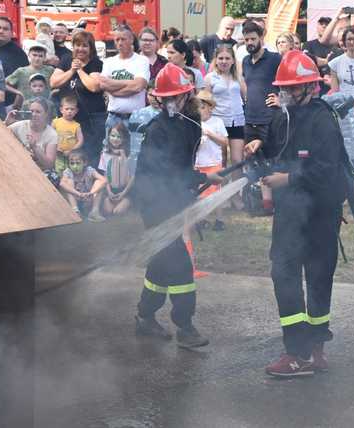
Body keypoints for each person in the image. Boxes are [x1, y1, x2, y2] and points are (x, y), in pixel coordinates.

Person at [242, 50, 347, 377]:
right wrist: (257, 150)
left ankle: (305, 353)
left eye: (291, 88)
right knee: (285, 274)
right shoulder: (282, 116)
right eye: (282, 88)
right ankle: (306, 350)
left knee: (315, 277)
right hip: (291, 212)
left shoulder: (322, 119)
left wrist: (289, 178)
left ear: (309, 88)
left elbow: (329, 170)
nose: (284, 93)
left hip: (320, 213)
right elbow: (276, 152)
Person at [132, 63, 223, 348]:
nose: (171, 103)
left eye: (176, 97)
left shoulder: (191, 125)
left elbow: (184, 164)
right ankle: (185, 327)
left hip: (174, 199)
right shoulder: (157, 129)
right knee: (181, 266)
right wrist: (201, 178)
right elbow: (166, 172)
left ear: (187, 96)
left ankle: (145, 317)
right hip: (154, 202)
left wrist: (191, 186)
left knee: (160, 263)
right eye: (166, 98)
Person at [242, 21, 282, 214]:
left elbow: (286, 82)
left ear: (261, 38)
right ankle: (264, 205)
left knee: (273, 160)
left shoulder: (275, 59)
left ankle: (280, 201)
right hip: (250, 118)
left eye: (253, 39)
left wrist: (281, 98)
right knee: (256, 162)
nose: (249, 42)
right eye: (246, 39)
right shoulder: (245, 62)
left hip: (270, 118)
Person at [51, 30, 106, 167]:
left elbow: (94, 86)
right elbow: (53, 83)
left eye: (85, 46)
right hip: (68, 119)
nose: (80, 49)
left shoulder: (96, 63)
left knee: (89, 154)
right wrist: (71, 70)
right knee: (66, 153)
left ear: (91, 48)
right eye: (77, 45)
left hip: (91, 120)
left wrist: (80, 70)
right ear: (73, 46)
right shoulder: (65, 60)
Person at [98, 26, 150, 151]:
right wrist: (129, 84)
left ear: (132, 39)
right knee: (111, 156)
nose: (120, 43)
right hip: (113, 117)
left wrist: (114, 88)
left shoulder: (142, 60)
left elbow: (139, 86)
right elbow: (103, 85)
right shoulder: (109, 61)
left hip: (135, 117)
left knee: (135, 155)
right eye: (117, 39)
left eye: (123, 39)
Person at [204, 45, 245, 173]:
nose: (224, 61)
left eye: (227, 58)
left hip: (237, 121)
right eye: (220, 58)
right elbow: (205, 101)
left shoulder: (238, 77)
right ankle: (220, 191)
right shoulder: (210, 78)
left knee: (237, 161)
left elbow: (245, 97)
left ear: (233, 60)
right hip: (218, 121)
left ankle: (237, 192)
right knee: (221, 161)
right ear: (216, 60)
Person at [195, 90, 228, 230]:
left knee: (216, 193)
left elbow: (224, 142)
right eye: (197, 107)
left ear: (210, 107)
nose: (199, 110)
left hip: (214, 162)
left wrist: (209, 133)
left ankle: (219, 220)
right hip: (198, 163)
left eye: (202, 107)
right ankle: (201, 219)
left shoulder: (217, 122)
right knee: (199, 193)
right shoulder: (194, 123)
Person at [6, 97, 58, 171]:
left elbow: (49, 165)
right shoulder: (20, 125)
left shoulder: (52, 134)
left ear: (46, 114)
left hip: (39, 172)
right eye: (31, 111)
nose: (34, 114)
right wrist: (6, 123)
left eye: (38, 112)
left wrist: (35, 147)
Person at [0, 17, 29, 108]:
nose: (1, 31)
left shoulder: (18, 54)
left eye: (5, 29)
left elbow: (24, 82)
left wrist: (16, 104)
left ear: (11, 33)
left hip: (8, 104)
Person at [59, 149, 107, 222]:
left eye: (78, 163)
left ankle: (94, 212)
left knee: (99, 182)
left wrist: (91, 193)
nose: (75, 166)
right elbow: (62, 183)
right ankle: (75, 212)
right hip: (75, 199)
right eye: (72, 163)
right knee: (68, 182)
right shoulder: (68, 172)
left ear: (84, 163)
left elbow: (104, 180)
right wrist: (78, 193)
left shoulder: (89, 170)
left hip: (88, 199)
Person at [5, 44, 54, 108]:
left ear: (44, 57)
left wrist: (52, 93)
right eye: (34, 55)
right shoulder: (21, 71)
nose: (37, 58)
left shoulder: (50, 70)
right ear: (29, 55)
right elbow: (3, 83)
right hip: (25, 108)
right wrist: (18, 93)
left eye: (40, 56)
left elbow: (58, 82)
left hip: (44, 109)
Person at [100, 123, 132, 217]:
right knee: (108, 211)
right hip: (111, 190)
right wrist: (109, 192)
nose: (115, 139)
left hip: (126, 190)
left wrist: (122, 154)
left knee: (117, 212)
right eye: (112, 135)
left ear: (124, 139)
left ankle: (129, 203)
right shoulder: (104, 153)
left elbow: (131, 176)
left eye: (119, 137)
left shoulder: (130, 154)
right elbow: (105, 175)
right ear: (108, 136)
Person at [52, 95, 84, 175]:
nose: (69, 111)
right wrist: (55, 146)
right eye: (67, 109)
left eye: (72, 109)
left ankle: (68, 185)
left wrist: (71, 150)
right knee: (58, 171)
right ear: (61, 110)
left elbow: (80, 141)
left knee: (69, 173)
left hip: (71, 156)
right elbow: (49, 135)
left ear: (76, 111)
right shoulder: (56, 122)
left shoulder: (76, 125)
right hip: (57, 154)